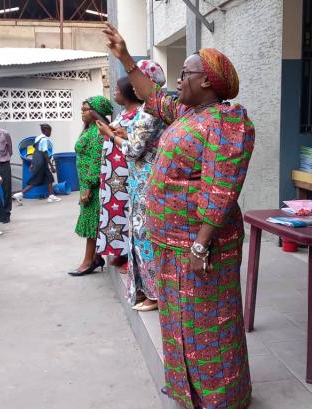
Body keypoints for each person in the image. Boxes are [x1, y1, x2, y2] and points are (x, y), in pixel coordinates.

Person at [105, 23, 255, 409]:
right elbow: (151, 96)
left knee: (209, 323)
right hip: (171, 242)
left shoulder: (226, 121)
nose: (178, 79)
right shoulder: (187, 113)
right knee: (177, 319)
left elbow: (221, 188)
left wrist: (202, 244)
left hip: (200, 247)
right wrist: (123, 56)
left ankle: (222, 398)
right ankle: (187, 391)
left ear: (206, 81)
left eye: (185, 74)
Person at [96, 66, 166, 312]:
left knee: (144, 237)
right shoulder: (150, 109)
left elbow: (134, 150)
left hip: (147, 183)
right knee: (138, 236)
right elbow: (140, 140)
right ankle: (145, 289)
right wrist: (124, 132)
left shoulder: (150, 113)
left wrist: (111, 135)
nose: (134, 85)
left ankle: (154, 294)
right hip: (140, 181)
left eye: (139, 80)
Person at [69, 96, 112, 277]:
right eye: (82, 109)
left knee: (92, 225)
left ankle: (89, 261)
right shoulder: (91, 129)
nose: (82, 113)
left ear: (95, 112)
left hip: (92, 187)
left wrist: (87, 188)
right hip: (86, 184)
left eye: (85, 109)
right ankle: (95, 257)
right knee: (93, 224)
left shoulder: (97, 133)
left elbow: (95, 163)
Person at [95, 81, 135, 264]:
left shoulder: (139, 115)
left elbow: (132, 145)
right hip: (112, 175)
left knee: (125, 213)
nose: (114, 92)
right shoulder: (123, 114)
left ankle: (129, 255)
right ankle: (119, 251)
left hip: (124, 175)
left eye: (117, 90)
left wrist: (111, 133)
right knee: (114, 213)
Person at [12, 123, 61, 204]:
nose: (50, 133)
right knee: (36, 180)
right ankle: (20, 193)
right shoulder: (44, 140)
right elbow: (45, 153)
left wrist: (32, 163)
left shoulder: (38, 138)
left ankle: (51, 196)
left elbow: (35, 152)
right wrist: (51, 166)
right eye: (50, 131)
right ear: (45, 131)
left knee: (49, 178)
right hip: (42, 162)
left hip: (38, 161)